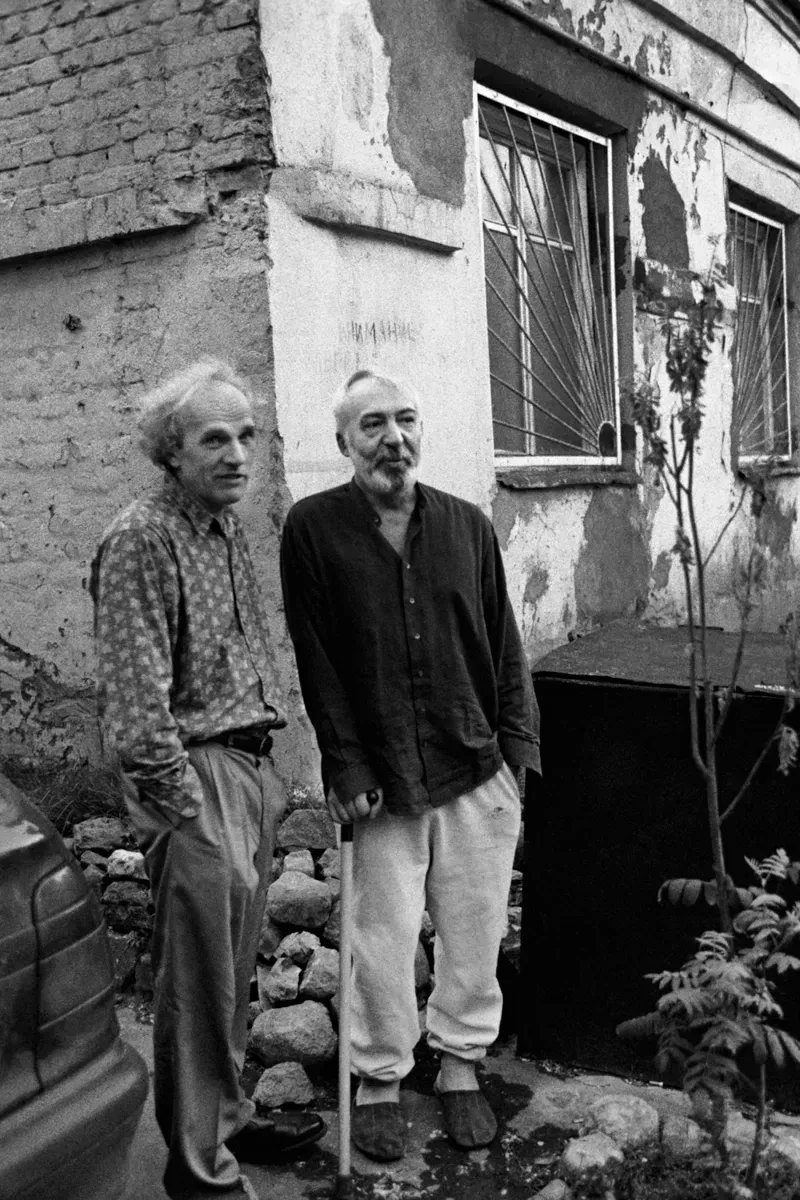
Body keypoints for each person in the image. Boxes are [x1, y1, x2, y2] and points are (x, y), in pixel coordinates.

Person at [280, 369, 540, 1162]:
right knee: (381, 940)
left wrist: (518, 753)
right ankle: (380, 1077)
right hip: (381, 778)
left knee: (474, 931)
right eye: (372, 425)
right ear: (343, 442)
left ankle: (459, 1065)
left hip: (474, 764)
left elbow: (504, 643)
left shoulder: (467, 526)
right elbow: (317, 659)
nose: (393, 438)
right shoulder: (312, 530)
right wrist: (345, 764)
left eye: (405, 420)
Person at [91, 359, 325, 1200]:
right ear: (172, 451)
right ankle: (199, 1173)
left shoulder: (221, 528)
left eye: (246, 437)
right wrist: (187, 808)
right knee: (196, 987)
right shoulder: (141, 538)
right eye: (214, 439)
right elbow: (135, 704)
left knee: (229, 978)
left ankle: (224, 1120)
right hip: (195, 780)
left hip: (246, 772)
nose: (237, 455)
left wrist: (266, 782)